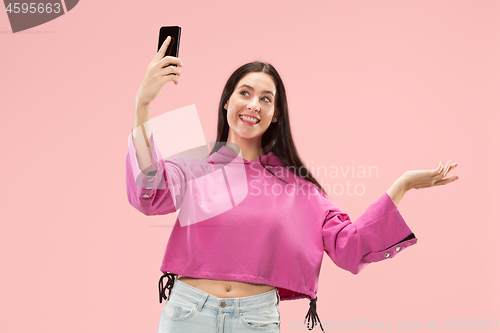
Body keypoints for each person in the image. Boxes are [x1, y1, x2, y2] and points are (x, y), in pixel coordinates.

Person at [126, 36, 459, 333]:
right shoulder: (195, 164)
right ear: (227, 101)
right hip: (187, 314)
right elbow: (149, 195)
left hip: (254, 321)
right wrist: (143, 104)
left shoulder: (300, 190)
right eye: (245, 93)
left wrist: (402, 185)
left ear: (276, 114)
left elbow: (350, 247)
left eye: (266, 99)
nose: (254, 104)